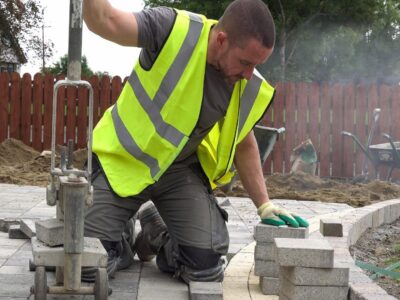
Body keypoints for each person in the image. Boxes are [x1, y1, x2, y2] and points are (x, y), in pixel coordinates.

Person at [81, 0, 309, 284]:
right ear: (222, 40)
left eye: (257, 65)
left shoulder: (240, 80)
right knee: (86, 264)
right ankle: (120, 234)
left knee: (205, 265)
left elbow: (243, 140)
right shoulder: (171, 29)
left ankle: (157, 232)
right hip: (122, 160)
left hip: (177, 172)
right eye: (246, 62)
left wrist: (264, 205)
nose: (250, 74)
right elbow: (106, 21)